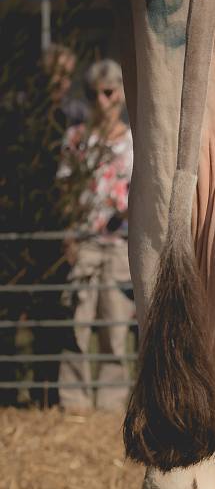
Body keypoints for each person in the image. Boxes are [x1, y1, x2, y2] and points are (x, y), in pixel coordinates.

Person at [56, 60, 133, 411]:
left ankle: (111, 404)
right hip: (84, 243)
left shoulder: (134, 141)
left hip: (121, 246)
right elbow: (65, 192)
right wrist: (70, 237)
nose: (101, 101)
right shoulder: (76, 139)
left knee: (115, 326)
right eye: (92, 94)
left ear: (121, 93)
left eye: (108, 92)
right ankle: (74, 401)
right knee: (77, 323)